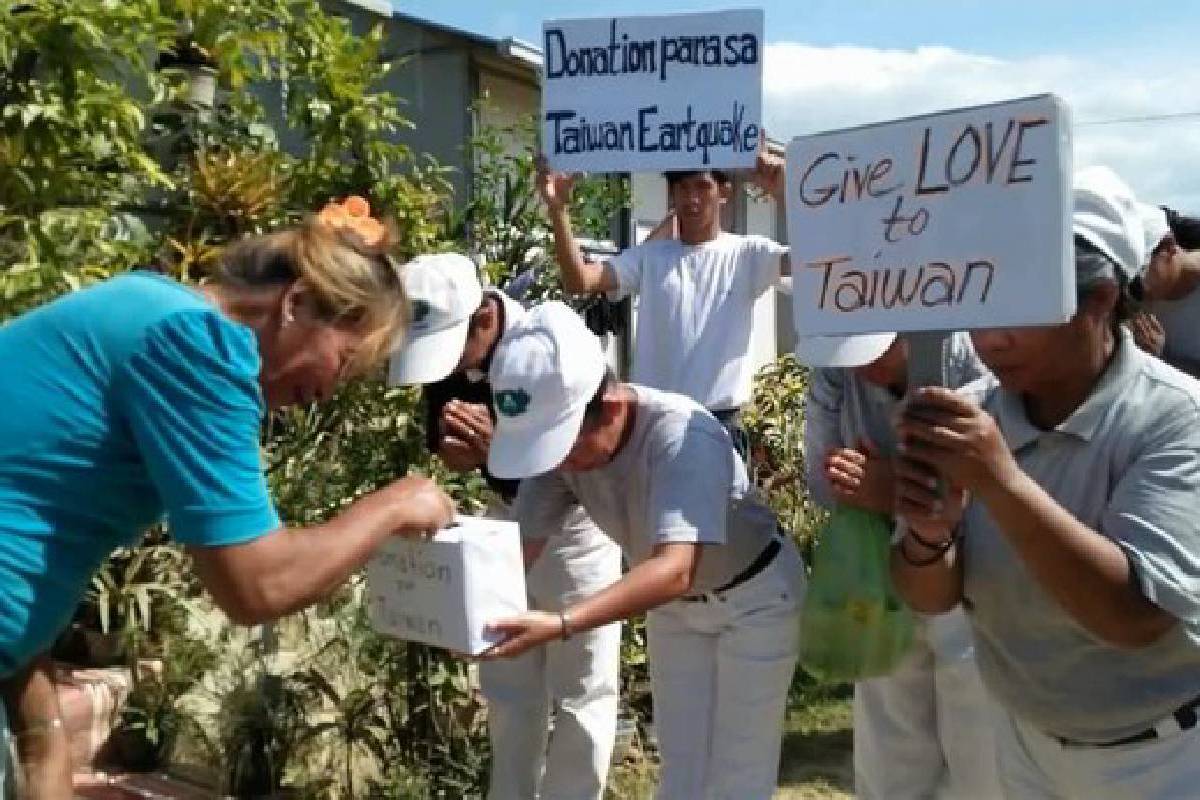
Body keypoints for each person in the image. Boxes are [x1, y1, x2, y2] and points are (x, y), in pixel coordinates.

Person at [0, 197, 455, 797]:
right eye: (343, 362)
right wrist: (394, 504)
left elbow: (29, 508)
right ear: (295, 305)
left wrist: (43, 729)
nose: (327, 392)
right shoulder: (198, 346)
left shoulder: (149, 304)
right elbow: (257, 584)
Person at [891, 167, 1200, 799]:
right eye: (980, 306)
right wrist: (929, 538)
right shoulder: (974, 411)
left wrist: (1001, 482)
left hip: (1163, 757)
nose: (990, 338)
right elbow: (929, 597)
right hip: (1023, 740)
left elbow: (1134, 618)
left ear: (1102, 297)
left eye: (1023, 309)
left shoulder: (1175, 418)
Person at [481, 302, 806, 800]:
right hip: (675, 609)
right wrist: (469, 614)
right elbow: (520, 547)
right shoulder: (561, 454)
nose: (557, 461)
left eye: (563, 444)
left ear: (609, 407)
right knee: (681, 774)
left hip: (756, 598)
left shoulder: (682, 436)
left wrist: (563, 623)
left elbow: (675, 567)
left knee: (738, 777)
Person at [388, 255, 623, 800]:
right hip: (502, 520)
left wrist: (508, 448)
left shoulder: (555, 346)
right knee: (508, 683)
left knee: (582, 686)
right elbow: (448, 448)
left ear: (485, 320)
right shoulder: (446, 349)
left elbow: (592, 449)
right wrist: (465, 457)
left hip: (575, 527)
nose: (444, 369)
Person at [800, 331, 1001, 799]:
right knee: (889, 748)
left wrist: (892, 489)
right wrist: (860, 483)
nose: (860, 367)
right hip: (877, 575)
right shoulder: (832, 373)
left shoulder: (972, 358)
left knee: (979, 751)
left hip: (972, 572)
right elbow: (822, 482)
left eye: (872, 350)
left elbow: (997, 484)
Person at [536, 146, 788, 459]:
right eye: (682, 187)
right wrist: (558, 210)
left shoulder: (748, 254)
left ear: (724, 192)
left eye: (702, 186)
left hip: (718, 423)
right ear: (671, 195)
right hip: (652, 423)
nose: (692, 198)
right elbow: (581, 281)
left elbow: (810, 262)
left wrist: (785, 195)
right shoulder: (650, 257)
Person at [1128, 200, 1200, 377]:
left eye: (1136, 280)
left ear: (1168, 247)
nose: (1128, 291)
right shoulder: (1128, 304)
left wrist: (1159, 362)